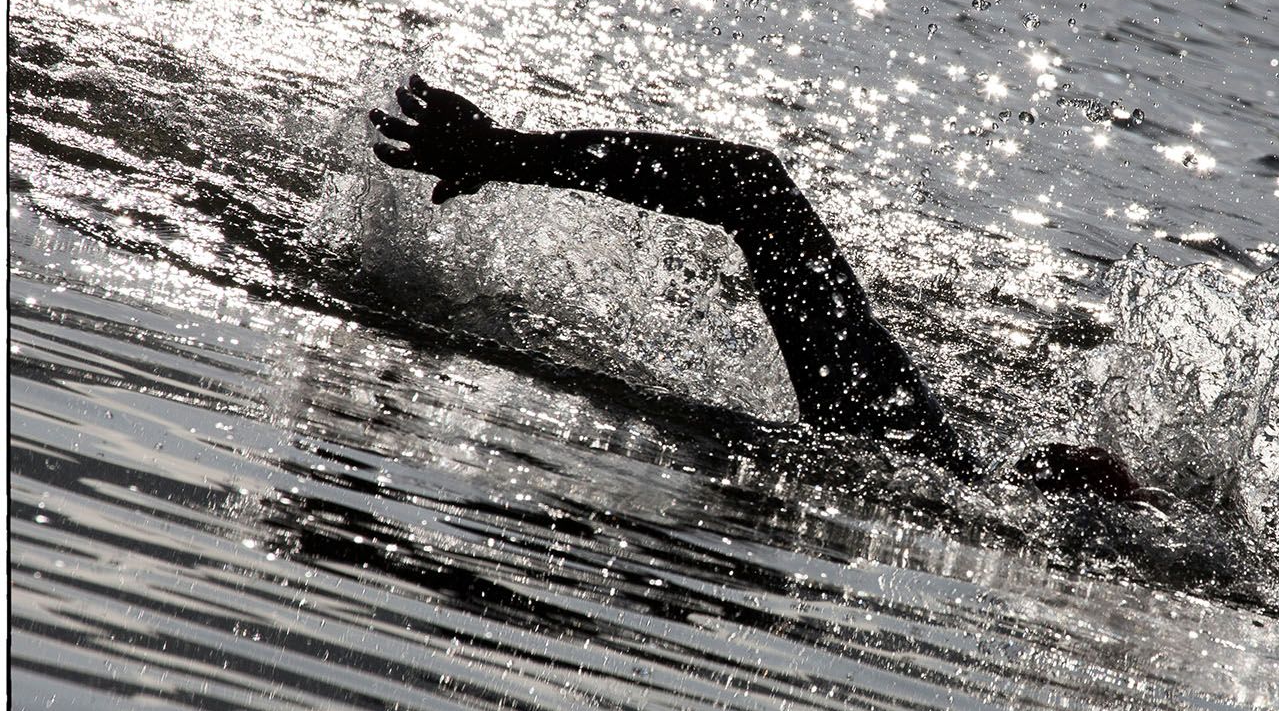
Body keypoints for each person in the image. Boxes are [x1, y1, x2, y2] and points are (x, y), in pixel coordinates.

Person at [370, 76, 1148, 503]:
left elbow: (750, 188)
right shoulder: (947, 471)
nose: (1072, 452)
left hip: (879, 471)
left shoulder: (902, 456)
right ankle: (498, 152)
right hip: (917, 473)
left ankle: (496, 151)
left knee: (757, 188)